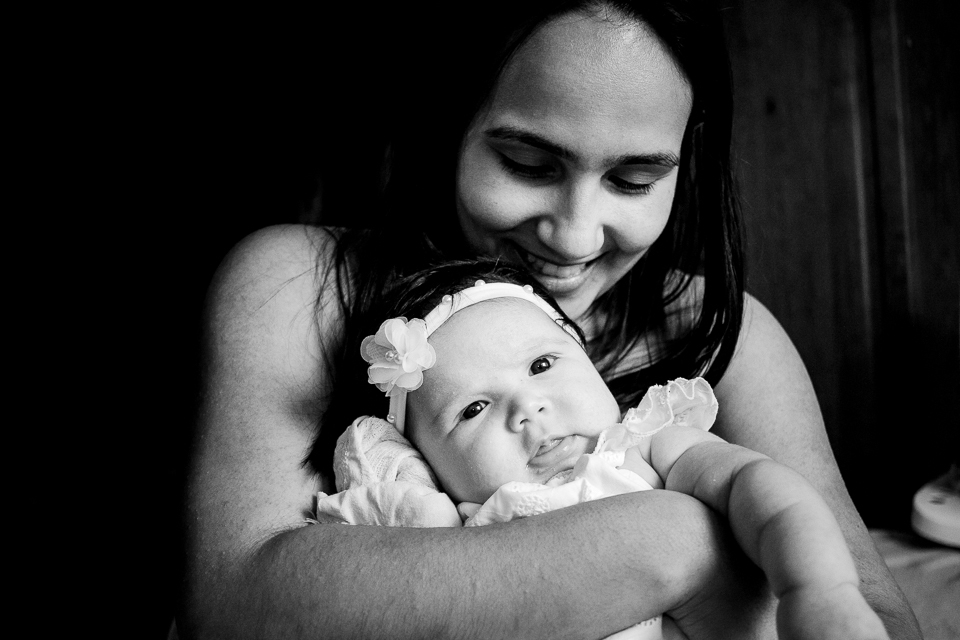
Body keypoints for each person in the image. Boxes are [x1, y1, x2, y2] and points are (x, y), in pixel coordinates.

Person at [182, 2, 922, 639]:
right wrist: (672, 546)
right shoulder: (302, 285)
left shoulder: (724, 334)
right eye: (529, 165)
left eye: (633, 179)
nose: (574, 236)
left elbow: (873, 617)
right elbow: (236, 602)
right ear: (447, 120)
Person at [313, 261, 888, 640]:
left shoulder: (644, 446)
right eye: (474, 409)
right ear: (428, 462)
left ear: (593, 366)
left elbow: (763, 491)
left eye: (542, 364)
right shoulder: (457, 544)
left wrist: (819, 590)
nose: (527, 408)